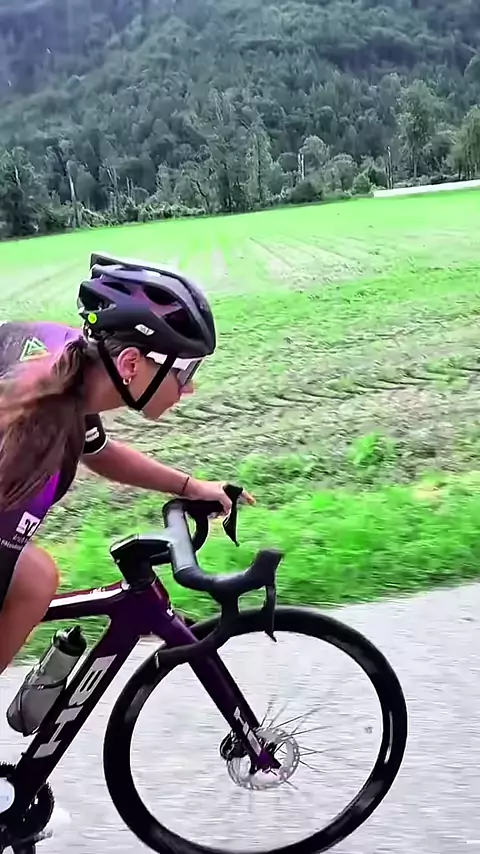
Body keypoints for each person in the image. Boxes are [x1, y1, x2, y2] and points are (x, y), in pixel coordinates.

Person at [0, 253, 254, 674]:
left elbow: (98, 451)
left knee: (36, 579)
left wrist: (190, 486)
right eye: (184, 370)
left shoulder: (70, 369)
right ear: (131, 363)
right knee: (28, 578)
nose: (190, 388)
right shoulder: (32, 442)